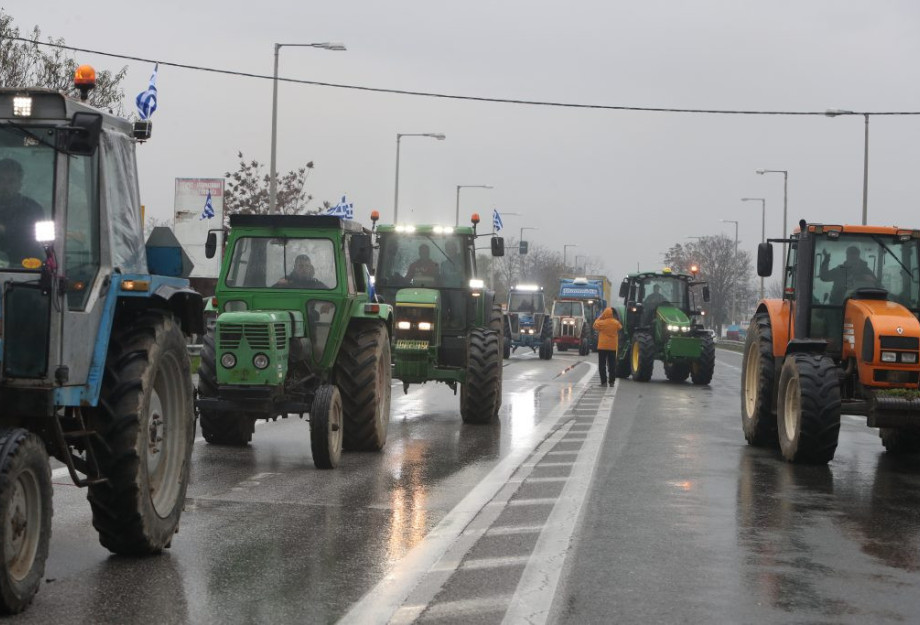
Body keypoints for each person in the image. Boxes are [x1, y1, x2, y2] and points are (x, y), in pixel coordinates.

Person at [0, 157, 45, 265]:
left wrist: (5, 230)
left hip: (26, 273)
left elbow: (33, 242)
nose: (5, 186)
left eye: (11, 181)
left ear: (20, 184)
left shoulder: (33, 209)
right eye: (1, 179)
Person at [593, 307, 623, 387]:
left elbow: (594, 325)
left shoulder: (601, 323)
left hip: (602, 347)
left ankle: (604, 382)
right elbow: (620, 327)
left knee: (602, 365)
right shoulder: (615, 323)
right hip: (612, 347)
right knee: (612, 364)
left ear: (605, 314)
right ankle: (612, 382)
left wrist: (600, 317)